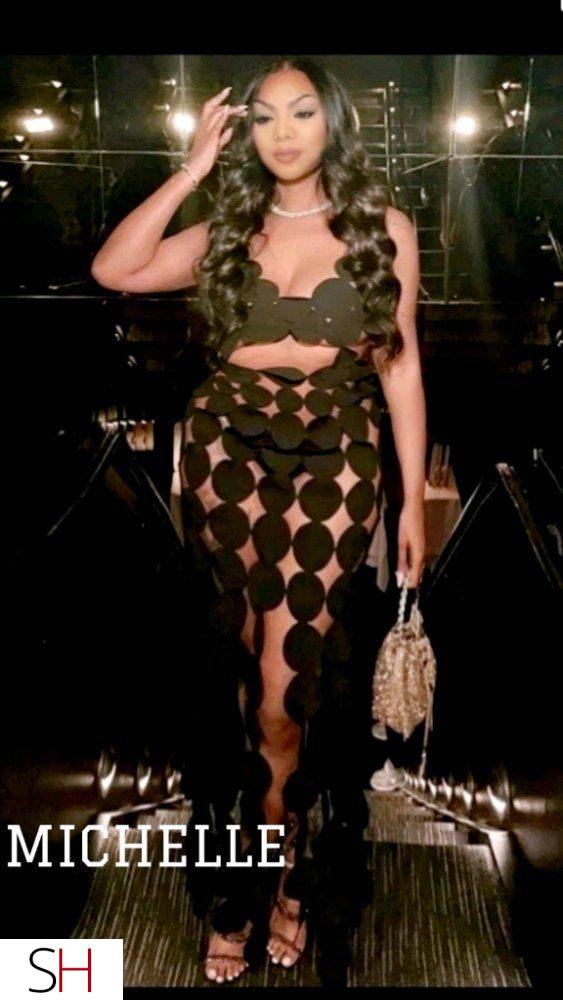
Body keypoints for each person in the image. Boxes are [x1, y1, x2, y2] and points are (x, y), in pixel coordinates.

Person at [91, 56, 426, 985]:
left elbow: (400, 367)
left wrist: (410, 502)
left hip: (335, 461)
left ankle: (283, 880)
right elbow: (115, 269)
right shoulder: (226, 228)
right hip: (225, 458)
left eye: (302, 112)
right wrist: (192, 170)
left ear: (333, 123)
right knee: (233, 688)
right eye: (266, 115)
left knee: (286, 696)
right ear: (244, 131)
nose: (284, 132)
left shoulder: (383, 229)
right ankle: (235, 884)